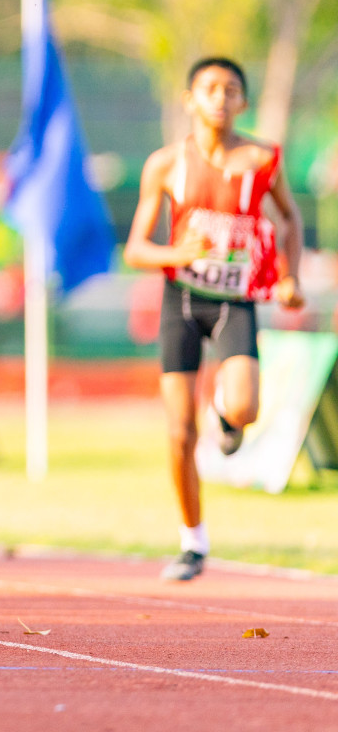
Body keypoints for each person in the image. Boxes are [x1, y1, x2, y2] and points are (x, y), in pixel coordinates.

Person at [123, 57, 303, 582]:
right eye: (209, 88)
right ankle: (192, 542)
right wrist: (177, 252)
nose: (220, 98)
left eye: (231, 90)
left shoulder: (264, 159)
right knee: (179, 432)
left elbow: (289, 217)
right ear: (190, 99)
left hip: (234, 300)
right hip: (181, 300)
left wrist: (288, 277)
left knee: (245, 407)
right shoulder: (164, 164)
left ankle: (227, 420)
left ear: (243, 101)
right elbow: (136, 248)